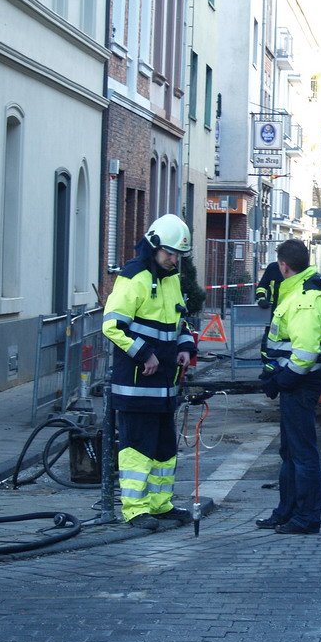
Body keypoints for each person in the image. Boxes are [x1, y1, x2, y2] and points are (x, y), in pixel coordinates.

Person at [102, 215, 197, 530]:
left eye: (178, 255)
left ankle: (160, 505)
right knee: (137, 450)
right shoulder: (134, 277)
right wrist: (144, 354)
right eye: (170, 253)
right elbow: (112, 326)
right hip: (136, 387)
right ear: (154, 245)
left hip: (164, 386)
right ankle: (135, 509)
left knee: (164, 449)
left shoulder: (170, 278)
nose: (174, 259)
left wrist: (186, 347)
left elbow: (180, 323)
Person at [256, 239, 321, 534]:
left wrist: (281, 380)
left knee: (302, 452)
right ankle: (287, 511)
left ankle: (305, 517)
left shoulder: (304, 298)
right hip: (297, 384)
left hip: (299, 385)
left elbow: (304, 354)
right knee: (291, 451)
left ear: (283, 265)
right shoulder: (304, 289)